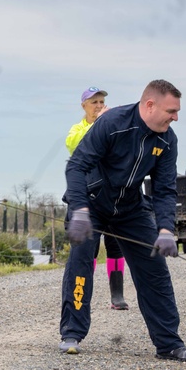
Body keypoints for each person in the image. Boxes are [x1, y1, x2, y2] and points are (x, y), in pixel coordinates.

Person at [61, 79, 186, 364]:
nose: (175, 117)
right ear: (149, 105)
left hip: (130, 209)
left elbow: (163, 189)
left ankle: (169, 344)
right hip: (91, 203)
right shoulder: (113, 123)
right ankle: (72, 334)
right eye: (171, 110)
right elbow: (77, 165)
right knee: (81, 261)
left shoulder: (166, 139)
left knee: (155, 269)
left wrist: (165, 228)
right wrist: (78, 209)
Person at [65, 86, 129, 310]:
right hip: (88, 198)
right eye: (94, 103)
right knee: (87, 250)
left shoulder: (112, 124)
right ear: (84, 106)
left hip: (111, 196)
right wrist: (99, 125)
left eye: (102, 102)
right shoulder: (76, 130)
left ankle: (117, 295)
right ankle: (84, 296)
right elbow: (75, 145)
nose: (99, 106)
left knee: (115, 247)